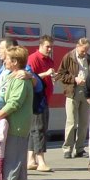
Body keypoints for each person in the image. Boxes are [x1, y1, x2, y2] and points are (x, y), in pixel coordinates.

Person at [0, 45, 34, 180]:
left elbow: (14, 103)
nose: (4, 61)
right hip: (16, 124)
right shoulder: (13, 76)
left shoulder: (21, 80)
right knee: (19, 161)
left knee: (12, 161)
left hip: (17, 125)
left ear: (14, 61)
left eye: (7, 59)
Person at [57, 37, 90, 159]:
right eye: (83, 50)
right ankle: (67, 148)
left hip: (85, 91)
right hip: (72, 92)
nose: (84, 53)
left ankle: (80, 148)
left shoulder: (88, 59)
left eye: (86, 50)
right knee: (71, 121)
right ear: (77, 46)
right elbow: (61, 74)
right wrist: (74, 79)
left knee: (84, 122)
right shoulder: (68, 57)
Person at [27, 35, 56, 172]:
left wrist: (53, 77)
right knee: (39, 128)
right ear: (40, 45)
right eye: (47, 46)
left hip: (45, 98)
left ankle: (31, 159)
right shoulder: (34, 58)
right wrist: (46, 73)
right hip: (37, 98)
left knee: (36, 129)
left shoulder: (49, 60)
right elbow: (31, 77)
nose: (49, 49)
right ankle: (41, 161)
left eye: (51, 46)